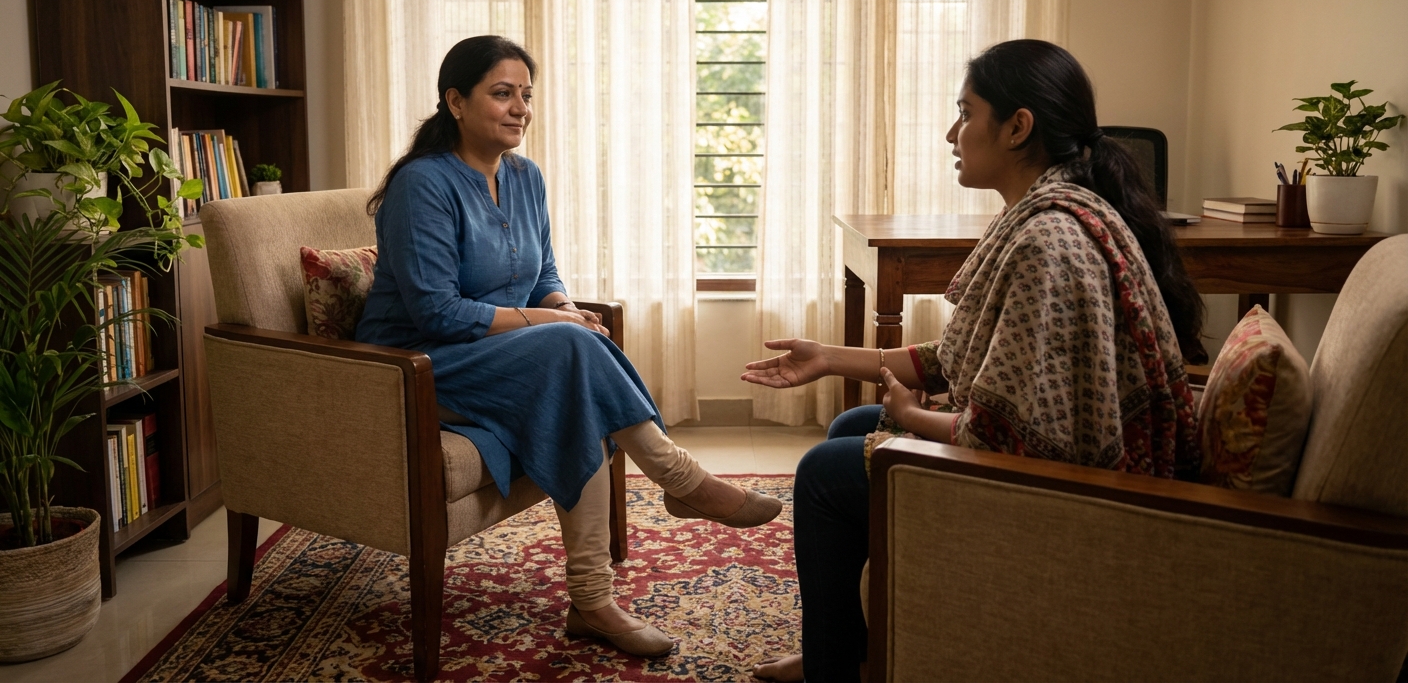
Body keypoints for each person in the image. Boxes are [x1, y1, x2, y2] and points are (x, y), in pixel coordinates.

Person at [745, 39, 1204, 683]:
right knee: (852, 427)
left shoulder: (1048, 240)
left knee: (824, 473)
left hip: (1082, 500)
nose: (950, 133)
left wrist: (913, 417)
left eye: (965, 113)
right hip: (1064, 466)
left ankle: (833, 670)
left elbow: (1011, 437)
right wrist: (826, 358)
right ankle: (847, 651)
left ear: (1018, 127)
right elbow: (950, 361)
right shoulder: (1045, 211)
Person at [356, 35, 783, 658]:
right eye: (502, 93)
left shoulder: (524, 176)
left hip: (496, 354)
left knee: (574, 367)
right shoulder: (423, 184)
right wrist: (551, 323)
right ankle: (679, 482)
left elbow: (544, 272)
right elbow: (437, 313)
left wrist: (562, 307)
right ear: (456, 101)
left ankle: (593, 601)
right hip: (418, 364)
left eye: (526, 95)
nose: (520, 108)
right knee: (568, 349)